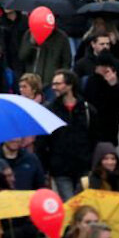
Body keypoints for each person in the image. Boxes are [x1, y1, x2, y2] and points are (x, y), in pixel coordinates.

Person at [40, 69, 96, 200]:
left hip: (83, 167)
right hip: (61, 169)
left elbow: (95, 138)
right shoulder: (50, 110)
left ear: (70, 85)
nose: (54, 88)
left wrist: (93, 163)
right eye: (53, 84)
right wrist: (46, 169)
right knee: (70, 203)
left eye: (58, 84)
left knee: (83, 204)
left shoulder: (87, 109)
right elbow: (43, 142)